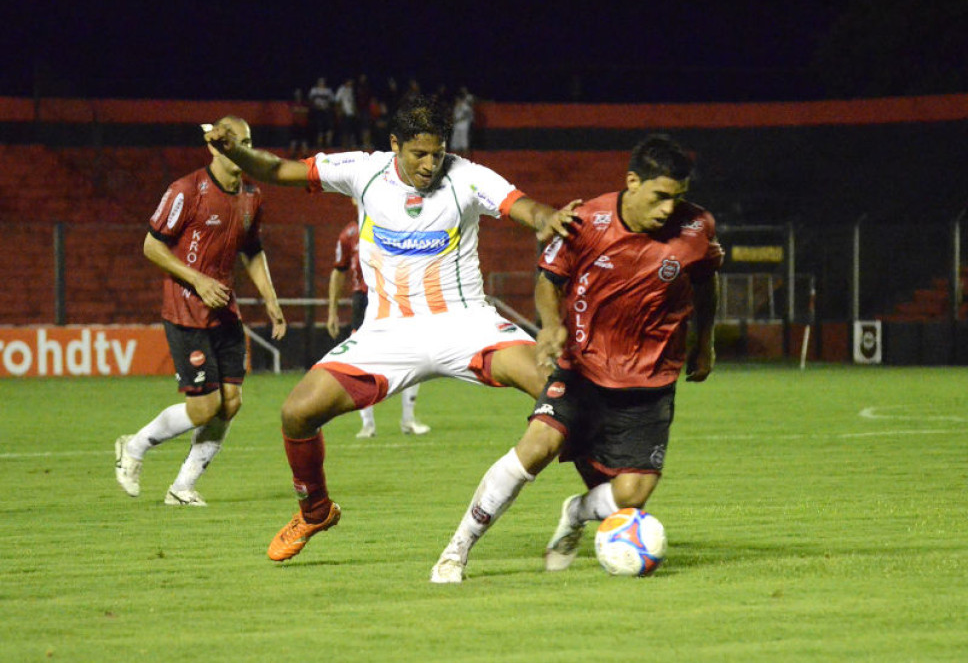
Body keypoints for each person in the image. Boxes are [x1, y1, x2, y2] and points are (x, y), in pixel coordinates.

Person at [203, 93, 578, 561]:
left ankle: (598, 504)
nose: (429, 164)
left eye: (437, 153)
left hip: (466, 324)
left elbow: (525, 207)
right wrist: (235, 152)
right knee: (296, 413)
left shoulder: (466, 176)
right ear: (395, 144)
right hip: (387, 333)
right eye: (419, 153)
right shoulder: (364, 171)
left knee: (560, 391)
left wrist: (548, 218)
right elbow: (279, 171)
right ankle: (315, 510)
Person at [430, 134, 723, 582]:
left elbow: (705, 282)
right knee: (536, 448)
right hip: (582, 368)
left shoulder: (697, 228)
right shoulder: (587, 220)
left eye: (677, 198)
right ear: (632, 182)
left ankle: (575, 513)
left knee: (631, 496)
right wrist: (550, 325)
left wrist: (704, 342)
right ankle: (456, 550)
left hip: (650, 383)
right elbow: (549, 279)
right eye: (660, 196)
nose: (669, 209)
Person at [114, 115, 287, 506]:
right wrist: (198, 280)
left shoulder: (252, 196)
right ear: (214, 147)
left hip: (224, 309)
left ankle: (182, 487)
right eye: (233, 143)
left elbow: (252, 250)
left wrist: (271, 300)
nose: (241, 150)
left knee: (231, 402)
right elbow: (151, 246)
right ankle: (134, 446)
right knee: (204, 406)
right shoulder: (186, 190)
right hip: (185, 310)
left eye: (247, 142)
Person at [327, 208, 430, 437]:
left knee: (411, 356)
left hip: (395, 297)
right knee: (363, 361)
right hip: (363, 300)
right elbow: (339, 271)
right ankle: (367, 424)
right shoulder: (350, 234)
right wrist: (332, 311)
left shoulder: (397, 225)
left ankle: (408, 419)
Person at [308, 77, 336, 148]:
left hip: (326, 111)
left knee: (329, 128)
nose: (321, 83)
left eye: (323, 81)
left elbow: (332, 101)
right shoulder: (314, 90)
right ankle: (319, 144)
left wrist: (327, 107)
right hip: (317, 112)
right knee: (319, 129)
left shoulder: (328, 91)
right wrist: (316, 106)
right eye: (320, 82)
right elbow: (310, 101)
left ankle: (328, 144)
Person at [451, 87, 474, 154]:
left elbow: (467, 115)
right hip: (456, 126)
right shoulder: (456, 107)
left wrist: (458, 120)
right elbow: (454, 115)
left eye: (457, 99)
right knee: (455, 144)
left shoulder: (465, 106)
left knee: (464, 142)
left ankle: (466, 159)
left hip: (463, 126)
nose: (456, 100)